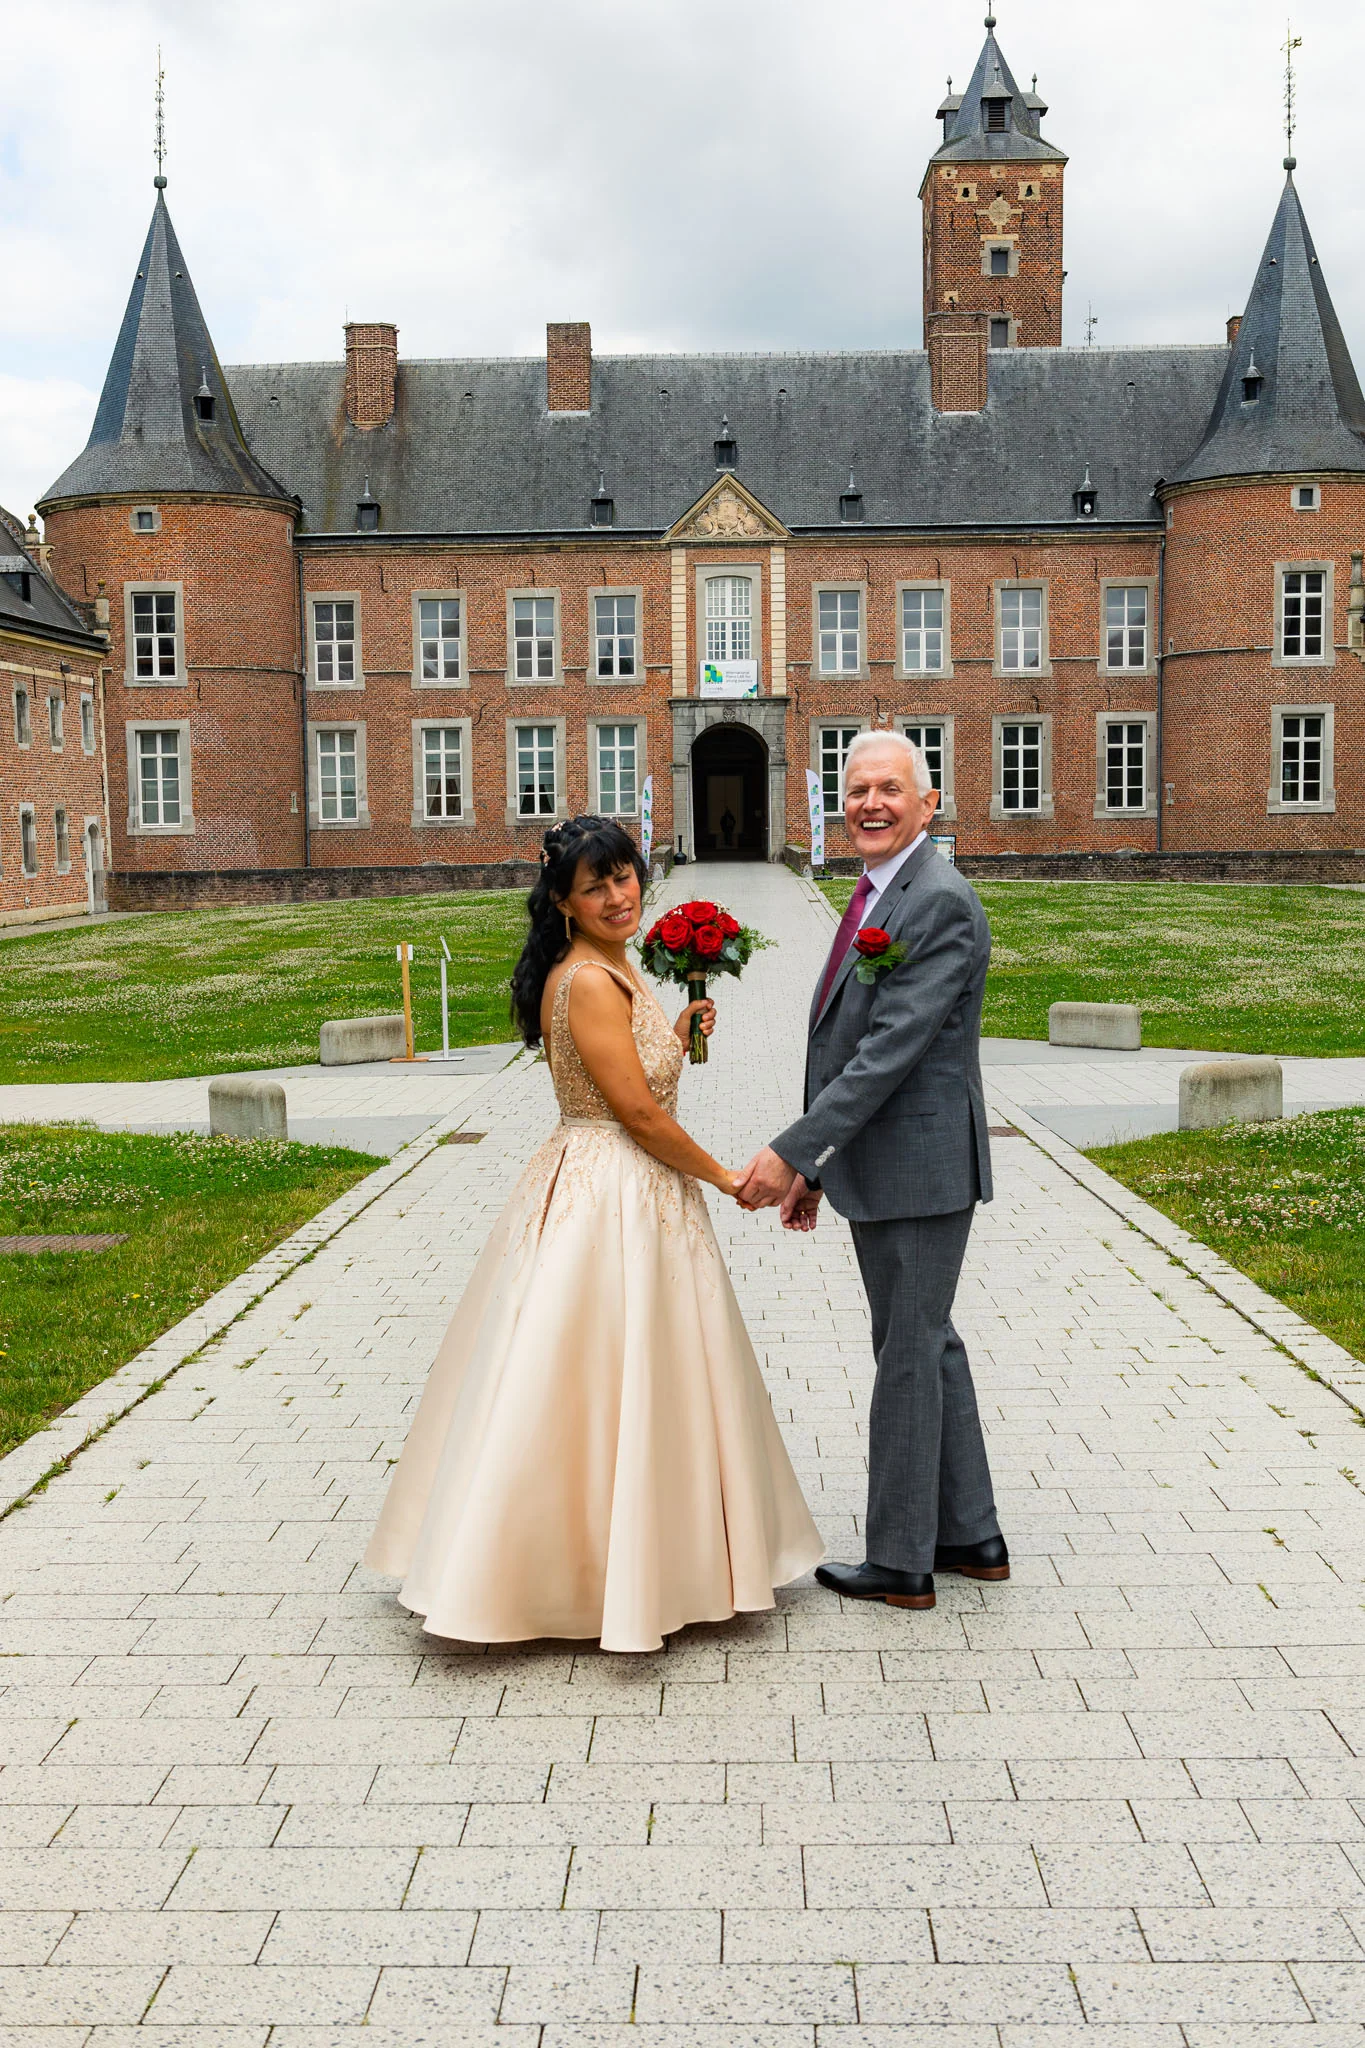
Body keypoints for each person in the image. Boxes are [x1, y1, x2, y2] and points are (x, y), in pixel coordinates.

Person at [365, 815, 822, 1652]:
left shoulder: (616, 969)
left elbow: (635, 1077)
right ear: (563, 904)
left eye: (625, 877)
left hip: (620, 1180)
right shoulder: (582, 981)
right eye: (596, 886)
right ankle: (563, 1572)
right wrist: (723, 1175)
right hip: (611, 1186)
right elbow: (639, 1115)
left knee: (639, 1371)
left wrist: (675, 1035)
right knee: (593, 1373)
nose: (618, 896)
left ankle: (655, 1558)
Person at [733, 732, 1006, 1613]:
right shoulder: (880, 889)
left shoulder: (939, 901)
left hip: (921, 1165)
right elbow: (849, 1038)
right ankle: (971, 1535)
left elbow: (888, 1053)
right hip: (887, 1162)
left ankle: (900, 1560)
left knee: (905, 1353)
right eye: (856, 791)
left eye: (890, 789)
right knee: (927, 1341)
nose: (869, 805)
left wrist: (792, 1152)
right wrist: (821, 1166)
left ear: (929, 805)